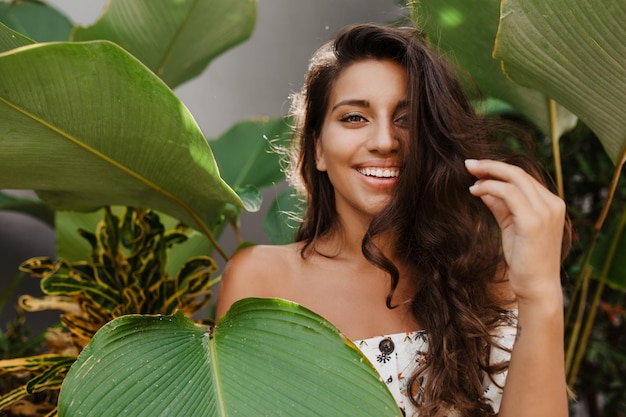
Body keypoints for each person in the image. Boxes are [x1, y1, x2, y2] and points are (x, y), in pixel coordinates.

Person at [216, 23, 571, 417]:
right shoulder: (261, 280)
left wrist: (540, 294)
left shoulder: (487, 277)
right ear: (317, 149)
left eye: (407, 119)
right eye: (354, 118)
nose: (385, 141)